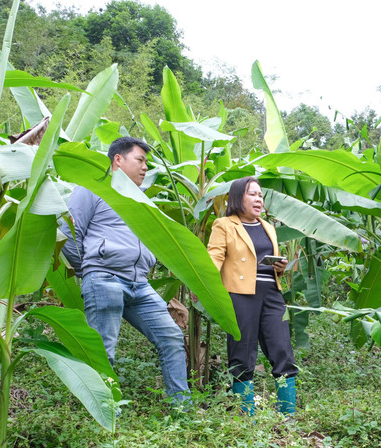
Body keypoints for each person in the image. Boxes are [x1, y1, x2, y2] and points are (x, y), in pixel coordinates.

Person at [61, 136, 189, 409]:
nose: (145, 167)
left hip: (139, 283)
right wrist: (91, 269)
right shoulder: (94, 188)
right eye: (140, 160)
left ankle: (182, 408)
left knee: (171, 337)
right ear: (118, 160)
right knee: (103, 351)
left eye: (146, 162)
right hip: (104, 279)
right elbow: (69, 232)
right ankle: (103, 413)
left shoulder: (141, 199)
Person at [206, 176, 298, 415]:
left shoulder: (268, 227)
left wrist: (280, 267)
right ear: (238, 198)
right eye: (252, 194)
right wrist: (204, 286)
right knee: (242, 354)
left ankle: (287, 416)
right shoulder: (224, 225)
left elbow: (270, 261)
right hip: (240, 295)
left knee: (282, 350)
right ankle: (247, 418)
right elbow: (214, 257)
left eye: (260, 195)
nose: (258, 199)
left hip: (272, 294)